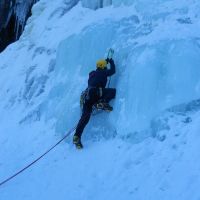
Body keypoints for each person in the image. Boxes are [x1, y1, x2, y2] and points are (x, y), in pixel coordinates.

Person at [73, 58, 116, 149]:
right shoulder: (102, 72)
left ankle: (77, 136)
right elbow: (113, 71)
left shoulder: (92, 74)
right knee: (112, 92)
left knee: (85, 117)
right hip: (97, 93)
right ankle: (102, 102)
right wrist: (111, 61)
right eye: (104, 66)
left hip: (88, 97)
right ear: (102, 67)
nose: (105, 67)